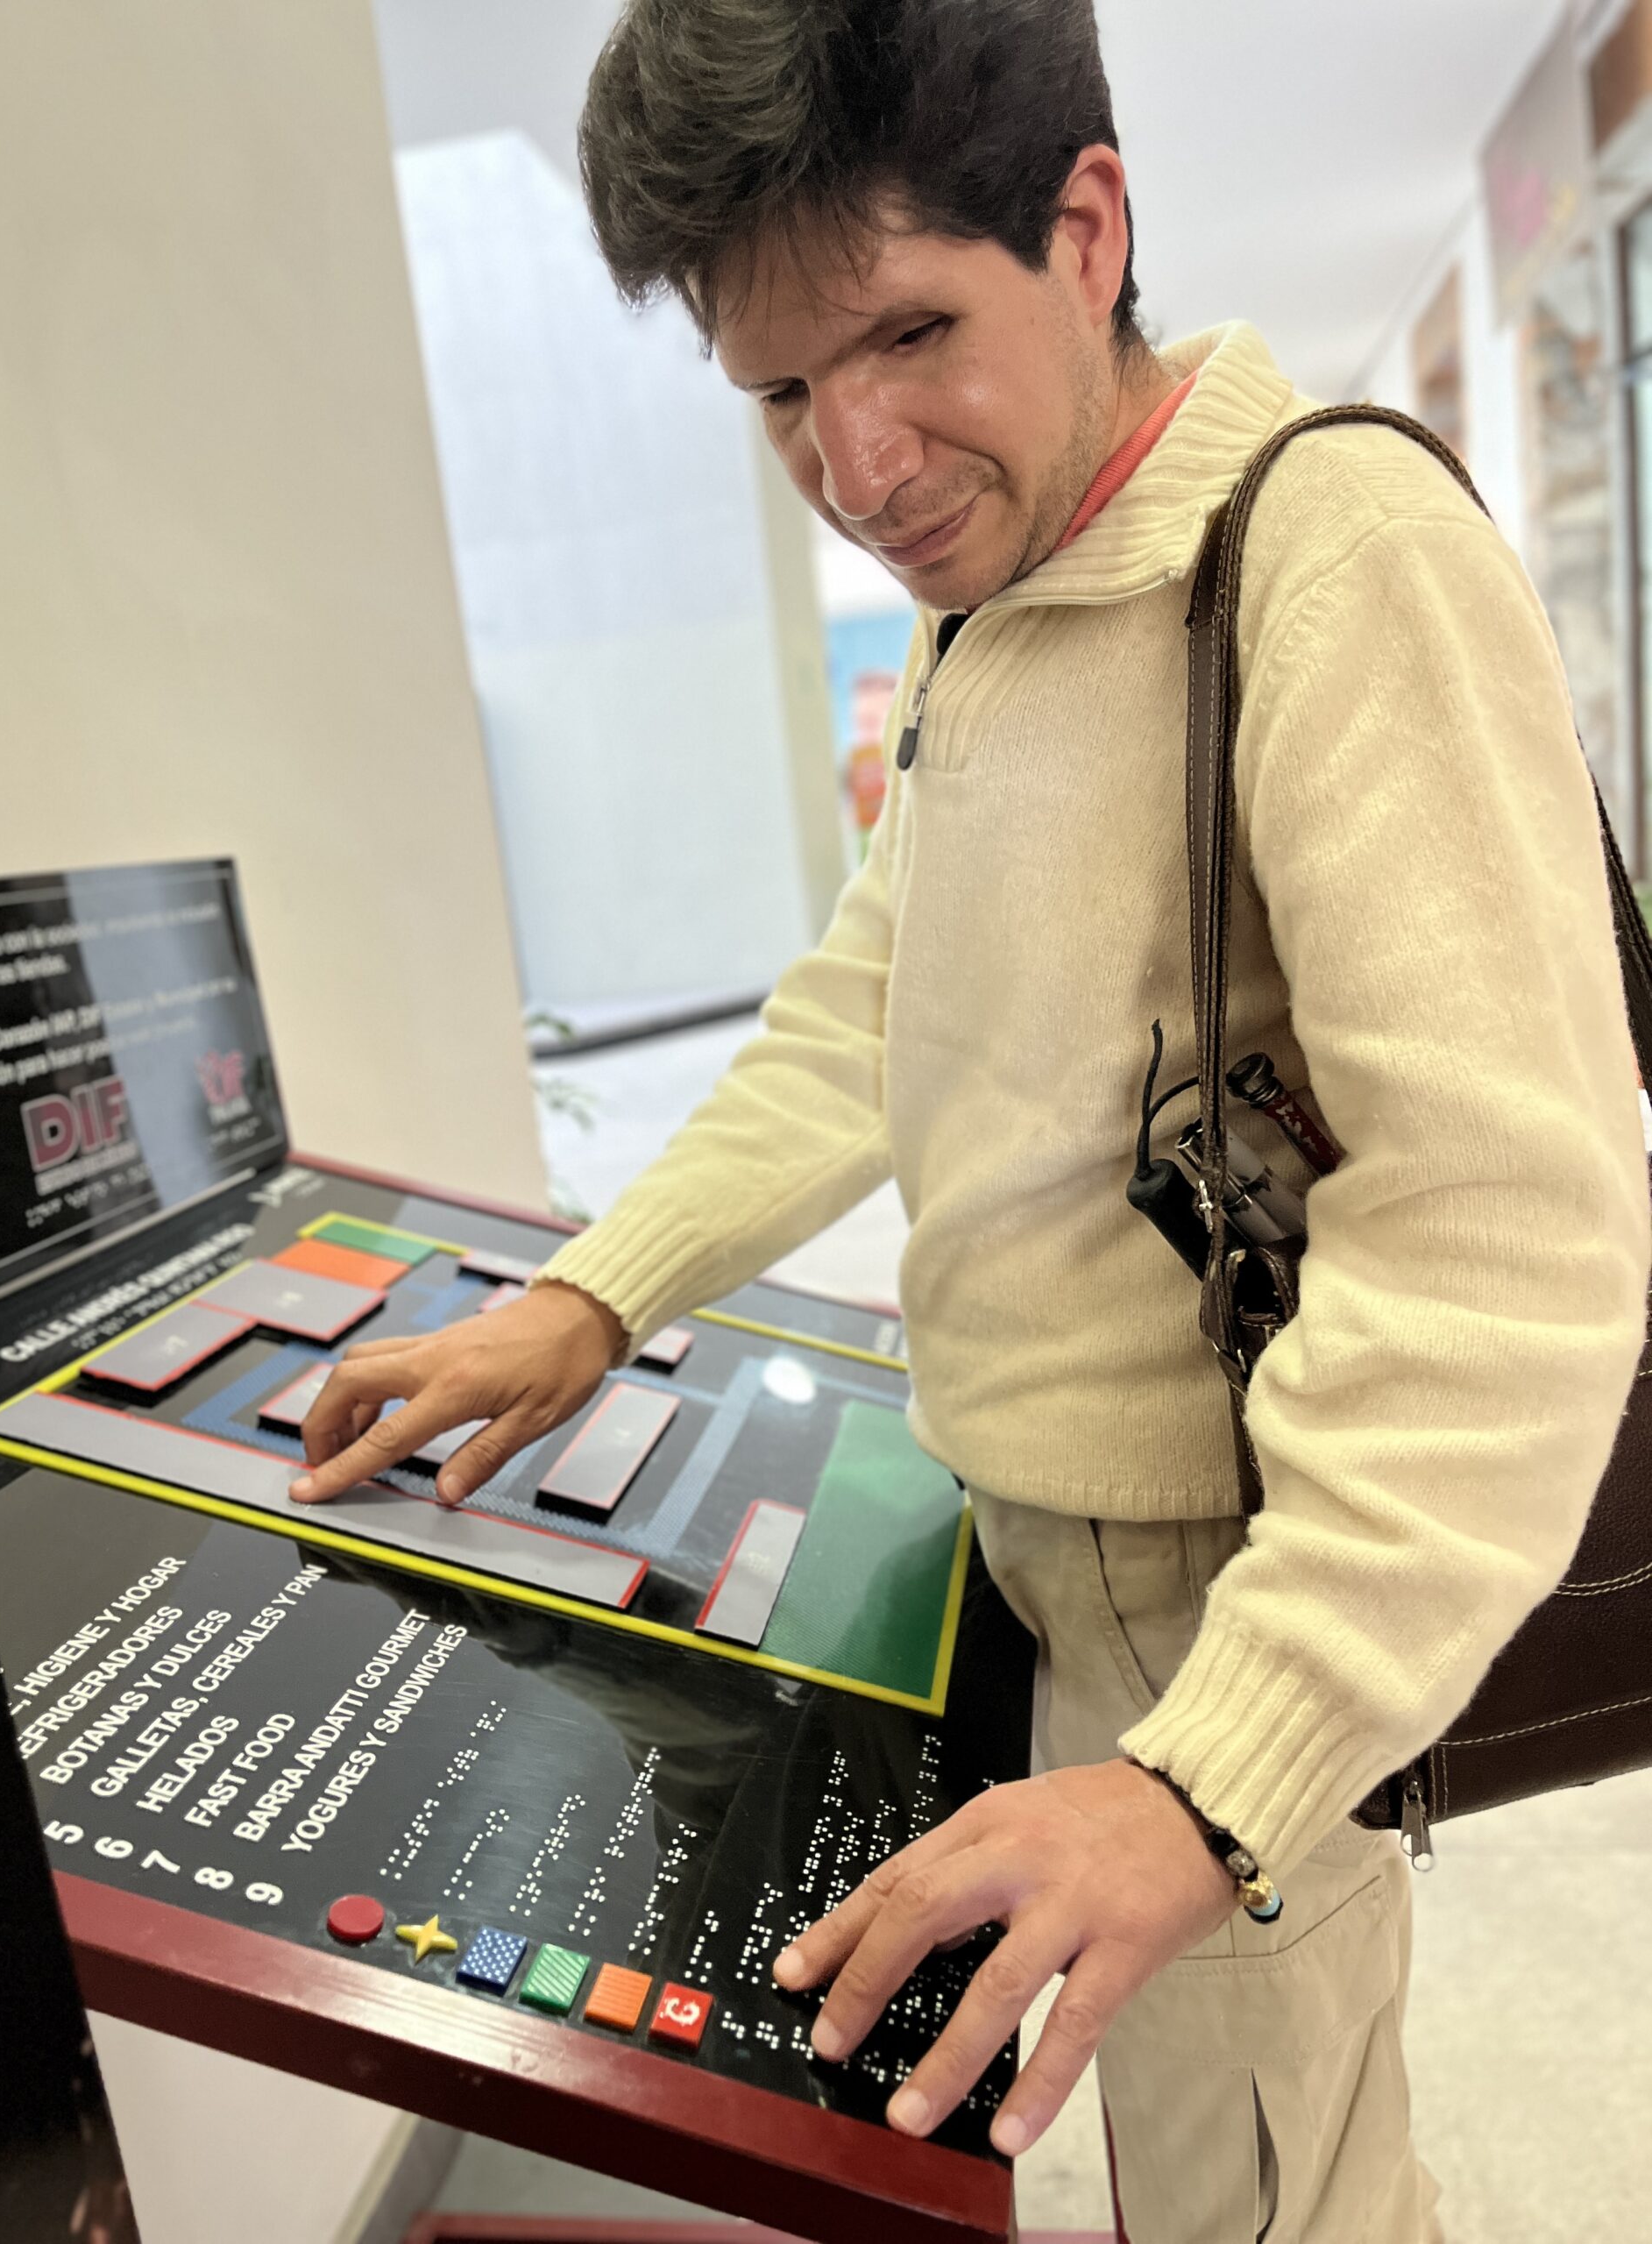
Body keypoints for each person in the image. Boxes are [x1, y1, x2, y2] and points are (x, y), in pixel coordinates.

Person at [290, 4, 1651, 2235]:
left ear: (1088, 225)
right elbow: (866, 1007)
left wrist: (1216, 1780)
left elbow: (1513, 1245)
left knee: (1265, 2183)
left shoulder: (1328, 562)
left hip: (1231, 1591)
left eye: (910, 331)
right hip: (1015, 1541)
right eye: (781, 394)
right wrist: (592, 1292)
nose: (860, 459)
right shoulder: (980, 610)